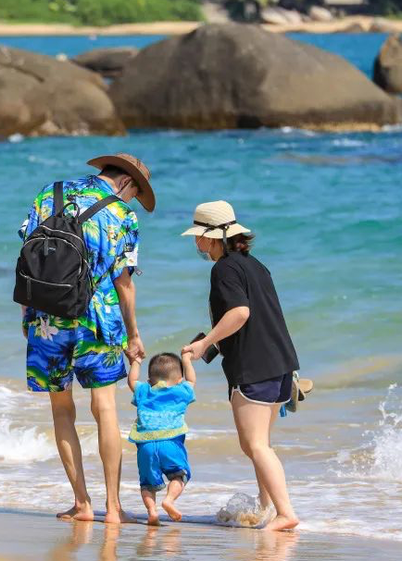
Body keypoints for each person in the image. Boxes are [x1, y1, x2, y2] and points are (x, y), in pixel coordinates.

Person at [19, 152, 155, 523]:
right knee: (104, 408)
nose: (132, 201)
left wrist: (27, 316)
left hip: (46, 317)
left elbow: (28, 257)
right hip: (97, 318)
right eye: (135, 193)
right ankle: (113, 508)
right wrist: (134, 335)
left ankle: (82, 504)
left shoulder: (50, 193)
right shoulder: (123, 215)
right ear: (125, 182)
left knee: (61, 409)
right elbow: (123, 283)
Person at [180, 201, 301, 532]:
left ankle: (286, 513)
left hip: (254, 367)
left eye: (198, 236)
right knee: (259, 444)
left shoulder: (224, 269)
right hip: (280, 364)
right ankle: (266, 508)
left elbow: (240, 313)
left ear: (213, 237)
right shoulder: (255, 265)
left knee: (255, 445)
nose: (196, 243)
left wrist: (205, 343)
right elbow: (256, 316)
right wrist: (215, 343)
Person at [127, 351, 195, 526]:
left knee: (147, 483)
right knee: (179, 475)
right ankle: (169, 500)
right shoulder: (181, 391)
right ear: (179, 379)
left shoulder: (144, 390)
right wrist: (187, 359)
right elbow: (191, 380)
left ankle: (152, 512)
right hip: (170, 442)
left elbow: (132, 381)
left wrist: (136, 361)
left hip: (146, 445)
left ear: (150, 380)